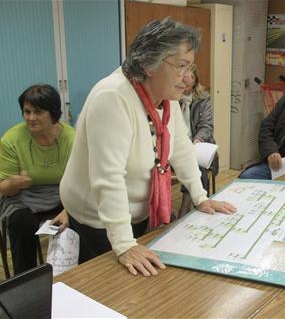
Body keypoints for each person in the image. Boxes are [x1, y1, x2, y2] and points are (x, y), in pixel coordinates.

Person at [60, 18, 236, 277]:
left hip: (138, 211)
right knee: (108, 287)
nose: (188, 78)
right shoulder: (112, 98)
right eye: (181, 66)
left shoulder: (165, 95)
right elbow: (108, 178)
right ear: (147, 64)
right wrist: (123, 244)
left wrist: (200, 197)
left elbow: (181, 147)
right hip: (97, 218)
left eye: (191, 67)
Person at [0, 84, 74, 275]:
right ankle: (27, 281)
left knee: (81, 218)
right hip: (23, 196)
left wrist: (69, 211)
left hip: (63, 193)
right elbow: (3, 187)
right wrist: (13, 184)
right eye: (27, 111)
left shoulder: (71, 138)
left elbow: (80, 182)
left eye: (38, 112)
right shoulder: (12, 139)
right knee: (21, 223)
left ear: (53, 113)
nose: (31, 118)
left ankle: (74, 276)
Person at [178, 68, 218, 217]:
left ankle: (187, 206)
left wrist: (197, 140)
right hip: (177, 145)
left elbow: (206, 126)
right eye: (182, 82)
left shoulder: (203, 99)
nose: (183, 87)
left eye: (187, 84)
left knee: (196, 163)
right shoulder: (170, 98)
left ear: (195, 80)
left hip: (197, 144)